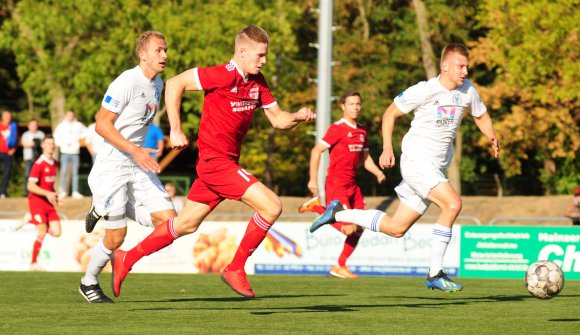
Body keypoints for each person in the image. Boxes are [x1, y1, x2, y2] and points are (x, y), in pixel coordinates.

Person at [110, 24, 316, 299]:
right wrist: (176, 128)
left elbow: (278, 120)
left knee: (185, 224)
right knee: (272, 206)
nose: (264, 60)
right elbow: (175, 83)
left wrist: (298, 117)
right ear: (242, 51)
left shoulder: (257, 82)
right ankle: (235, 268)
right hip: (216, 163)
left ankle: (127, 257)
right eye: (260, 55)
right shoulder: (220, 75)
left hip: (222, 165)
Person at [311, 43, 500, 292]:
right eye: (460, 66)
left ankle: (337, 214)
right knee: (453, 204)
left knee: (396, 228)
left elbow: (481, 116)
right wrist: (387, 148)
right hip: (417, 162)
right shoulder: (424, 90)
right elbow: (390, 114)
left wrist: (492, 136)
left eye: (467, 66)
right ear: (445, 66)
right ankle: (435, 273)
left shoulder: (468, 91)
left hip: (435, 168)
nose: (465, 71)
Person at [78, 31, 176, 304]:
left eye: (165, 50)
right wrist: (134, 150)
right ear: (142, 54)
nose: (165, 55)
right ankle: (88, 283)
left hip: (137, 163)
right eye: (159, 50)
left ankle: (104, 207)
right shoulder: (126, 82)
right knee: (116, 236)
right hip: (112, 167)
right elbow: (102, 124)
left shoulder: (158, 83)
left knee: (169, 222)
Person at [299, 91, 385, 279]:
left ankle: (340, 266)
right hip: (337, 183)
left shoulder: (362, 131)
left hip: (353, 186)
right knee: (349, 228)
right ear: (343, 107)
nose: (355, 107)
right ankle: (317, 209)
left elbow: (365, 158)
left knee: (360, 228)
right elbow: (316, 150)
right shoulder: (337, 128)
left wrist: (378, 172)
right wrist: (312, 179)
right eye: (351, 104)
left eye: (358, 104)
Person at [27, 135, 62, 271]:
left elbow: (49, 186)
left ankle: (31, 219)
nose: (51, 146)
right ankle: (33, 263)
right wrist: (47, 194)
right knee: (41, 231)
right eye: (48, 143)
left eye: (53, 143)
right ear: (42, 145)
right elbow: (30, 186)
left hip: (48, 203)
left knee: (57, 232)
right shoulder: (39, 164)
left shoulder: (55, 163)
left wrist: (56, 198)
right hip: (36, 202)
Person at [53, 110, 88, 199]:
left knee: (75, 173)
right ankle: (63, 191)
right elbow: (56, 136)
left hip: (75, 152)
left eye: (71, 115)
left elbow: (86, 132)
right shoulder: (61, 126)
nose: (70, 117)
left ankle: (75, 192)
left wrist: (79, 140)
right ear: (66, 116)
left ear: (73, 116)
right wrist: (61, 144)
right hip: (64, 152)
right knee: (63, 172)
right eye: (68, 115)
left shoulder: (78, 125)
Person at [21, 119, 46, 196]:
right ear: (29, 126)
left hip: (39, 158)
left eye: (35, 125)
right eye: (32, 125)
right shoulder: (25, 134)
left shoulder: (41, 134)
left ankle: (39, 192)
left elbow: (44, 145)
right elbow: (24, 144)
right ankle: (26, 192)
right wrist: (34, 144)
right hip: (29, 157)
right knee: (27, 174)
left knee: (39, 175)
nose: (33, 127)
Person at [0, 110, 18, 198]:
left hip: (8, 154)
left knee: (6, 173)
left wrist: (14, 149)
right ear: (3, 117)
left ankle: (3, 192)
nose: (8, 118)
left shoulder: (13, 127)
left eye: (10, 117)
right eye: (7, 116)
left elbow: (16, 139)